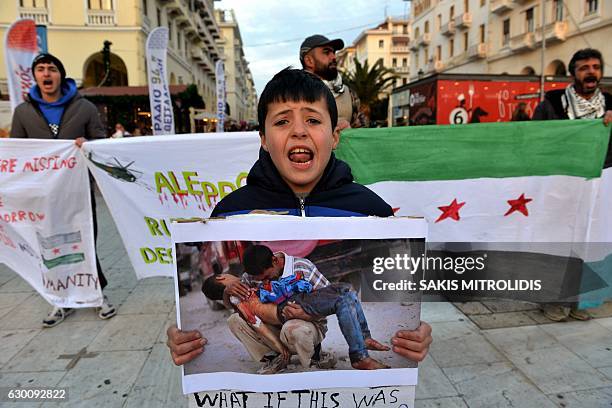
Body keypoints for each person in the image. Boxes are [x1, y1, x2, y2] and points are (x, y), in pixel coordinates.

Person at [167, 69, 432, 379]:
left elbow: (394, 289)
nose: (298, 131)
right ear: (264, 139)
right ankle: (274, 361)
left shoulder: (372, 211)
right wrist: (184, 337)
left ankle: (351, 351)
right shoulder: (229, 214)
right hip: (273, 346)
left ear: (334, 136)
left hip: (308, 316)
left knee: (337, 299)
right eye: (282, 121)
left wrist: (416, 331)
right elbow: (226, 296)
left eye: (313, 120)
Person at [10, 53, 116, 327]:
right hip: (41, 196)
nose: (47, 74)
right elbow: (18, 152)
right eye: (41, 69)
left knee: (84, 242)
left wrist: (87, 144)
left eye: (52, 69)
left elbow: (100, 143)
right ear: (35, 76)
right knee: (48, 246)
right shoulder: (23, 112)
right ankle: (59, 301)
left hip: (76, 192)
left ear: (61, 74)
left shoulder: (85, 108)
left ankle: (97, 295)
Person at [533, 48, 612, 321]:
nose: (591, 72)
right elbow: (536, 143)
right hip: (561, 187)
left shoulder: (610, 106)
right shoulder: (552, 105)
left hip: (599, 188)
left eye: (595, 66)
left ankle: (581, 300)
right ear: (572, 74)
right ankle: (551, 300)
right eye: (583, 67)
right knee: (558, 243)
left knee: (589, 242)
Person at [300, 34, 366, 130]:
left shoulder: (349, 94)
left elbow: (362, 133)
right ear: (309, 60)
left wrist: (349, 130)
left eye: (333, 52)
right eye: (326, 52)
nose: (333, 57)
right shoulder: (292, 94)